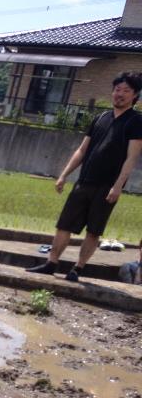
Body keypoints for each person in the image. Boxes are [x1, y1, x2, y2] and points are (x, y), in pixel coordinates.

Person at [27, 71, 142, 282]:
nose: (120, 94)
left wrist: (118, 186)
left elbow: (131, 158)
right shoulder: (100, 118)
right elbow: (82, 150)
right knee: (64, 224)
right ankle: (51, 263)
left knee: (93, 231)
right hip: (84, 181)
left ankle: (77, 269)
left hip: (107, 186)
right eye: (117, 89)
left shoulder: (135, 121)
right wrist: (63, 175)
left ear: (135, 96)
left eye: (126, 91)